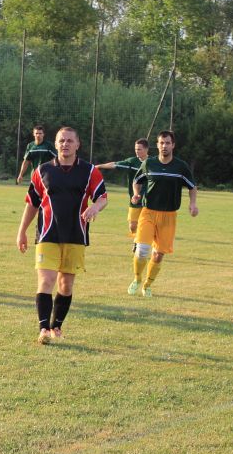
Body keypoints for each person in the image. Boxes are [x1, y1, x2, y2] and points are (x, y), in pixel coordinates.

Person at [16, 127, 107, 344]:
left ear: (78, 144)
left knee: (65, 285)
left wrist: (95, 207)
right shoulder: (42, 171)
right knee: (46, 281)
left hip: (76, 234)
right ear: (55, 144)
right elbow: (32, 204)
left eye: (69, 141)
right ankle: (43, 329)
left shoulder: (90, 171)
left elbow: (103, 197)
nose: (65, 144)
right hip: (47, 233)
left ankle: (56, 326)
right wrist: (21, 232)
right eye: (61, 141)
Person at [127, 130, 198, 297]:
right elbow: (137, 181)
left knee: (158, 255)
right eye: (161, 143)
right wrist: (136, 194)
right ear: (157, 145)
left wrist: (192, 204)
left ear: (173, 145)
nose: (164, 146)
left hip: (169, 216)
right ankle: (137, 279)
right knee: (142, 250)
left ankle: (147, 285)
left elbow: (192, 187)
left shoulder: (181, 167)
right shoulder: (149, 163)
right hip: (148, 212)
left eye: (167, 143)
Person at [94, 138, 150, 238]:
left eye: (139, 149)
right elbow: (114, 164)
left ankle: (141, 240)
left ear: (146, 149)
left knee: (146, 224)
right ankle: (137, 237)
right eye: (136, 149)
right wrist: (99, 166)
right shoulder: (132, 162)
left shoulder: (153, 163)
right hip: (135, 199)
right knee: (132, 226)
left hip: (150, 199)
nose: (137, 151)